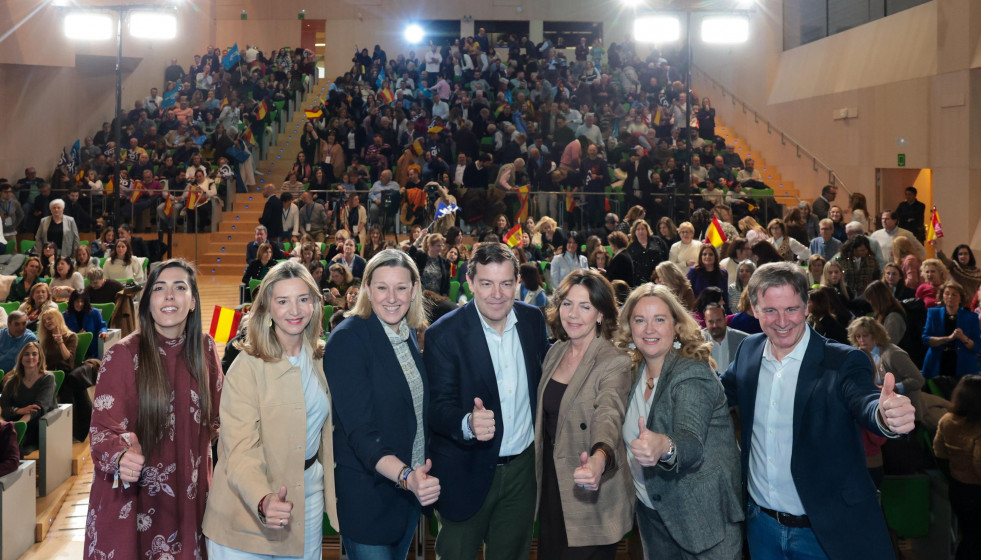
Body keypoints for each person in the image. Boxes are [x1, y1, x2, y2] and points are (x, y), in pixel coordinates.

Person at [720, 261, 916, 559]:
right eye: (770, 310)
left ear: (806, 307)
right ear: (755, 309)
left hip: (825, 533)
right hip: (762, 529)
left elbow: (865, 402)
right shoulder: (749, 351)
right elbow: (718, 394)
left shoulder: (844, 362)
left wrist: (885, 416)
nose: (782, 321)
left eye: (792, 309)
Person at [85, 259, 222, 560]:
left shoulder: (206, 349)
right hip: (134, 498)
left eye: (180, 287)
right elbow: (101, 431)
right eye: (159, 288)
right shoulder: (122, 354)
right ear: (147, 302)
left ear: (193, 301)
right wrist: (120, 455)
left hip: (188, 495)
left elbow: (217, 422)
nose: (169, 295)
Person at [424, 242, 550, 560]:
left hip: (522, 472)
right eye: (486, 283)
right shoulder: (444, 334)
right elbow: (436, 408)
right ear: (470, 283)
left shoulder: (534, 322)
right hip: (463, 471)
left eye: (506, 283)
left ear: (517, 283)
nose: (497, 293)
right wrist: (466, 423)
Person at [204, 262, 336, 560]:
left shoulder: (322, 358)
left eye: (303, 299)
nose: (295, 310)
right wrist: (263, 498)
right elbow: (238, 449)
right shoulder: (246, 366)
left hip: (306, 499)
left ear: (315, 304)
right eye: (283, 301)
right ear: (267, 309)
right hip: (246, 510)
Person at [324, 249, 441, 558]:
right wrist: (405, 477)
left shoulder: (406, 334)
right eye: (382, 287)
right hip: (369, 499)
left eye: (401, 287)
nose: (392, 297)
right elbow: (361, 433)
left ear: (414, 290)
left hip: (406, 498)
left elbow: (414, 412)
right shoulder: (349, 339)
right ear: (366, 289)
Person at [616, 283, 743, 558]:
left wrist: (664, 447)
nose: (649, 329)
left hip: (702, 522)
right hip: (653, 515)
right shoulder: (634, 370)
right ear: (629, 327)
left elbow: (690, 442)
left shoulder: (691, 375)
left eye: (659, 319)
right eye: (640, 320)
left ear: (676, 326)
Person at [534, 270, 633, 558]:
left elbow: (609, 415)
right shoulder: (556, 352)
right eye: (567, 303)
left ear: (600, 314)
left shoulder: (613, 361)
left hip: (591, 486)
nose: (573, 314)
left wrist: (598, 459)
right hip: (554, 484)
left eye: (585, 306)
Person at [933, 375, 981, 560]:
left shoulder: (947, 420)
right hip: (977, 492)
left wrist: (953, 474)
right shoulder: (978, 427)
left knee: (969, 537)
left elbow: (939, 452)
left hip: (958, 488)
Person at [847, 317, 925, 421]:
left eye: (865, 336)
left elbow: (918, 380)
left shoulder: (893, 354)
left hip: (906, 413)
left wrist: (893, 387)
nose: (861, 340)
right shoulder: (863, 355)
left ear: (875, 334)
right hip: (885, 412)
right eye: (858, 336)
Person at [922, 280, 981, 397]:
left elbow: (977, 346)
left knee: (962, 400)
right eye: (947, 293)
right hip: (937, 363)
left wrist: (963, 338)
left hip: (963, 365)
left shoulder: (971, 317)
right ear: (942, 295)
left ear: (961, 298)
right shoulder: (933, 313)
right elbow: (925, 339)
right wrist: (948, 338)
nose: (950, 297)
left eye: (954, 294)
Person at [703, 302, 749, 373]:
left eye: (719, 320)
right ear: (705, 321)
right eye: (711, 322)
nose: (715, 325)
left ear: (725, 319)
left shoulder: (744, 341)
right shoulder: (697, 342)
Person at [63, 289, 109, 359]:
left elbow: (101, 326)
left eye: (82, 301)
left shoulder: (94, 312)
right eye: (77, 301)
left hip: (92, 352)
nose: (79, 304)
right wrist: (78, 335)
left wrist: (103, 331)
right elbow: (64, 334)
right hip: (74, 352)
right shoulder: (65, 315)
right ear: (72, 302)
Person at [626, 220, 668, 288]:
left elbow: (666, 255)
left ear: (647, 230)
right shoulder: (631, 248)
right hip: (640, 281)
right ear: (634, 232)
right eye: (638, 229)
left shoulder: (657, 240)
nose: (640, 231)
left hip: (659, 277)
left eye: (643, 229)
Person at [687, 244, 729, 309]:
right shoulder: (694, 271)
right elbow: (688, 291)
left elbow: (725, 295)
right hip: (698, 309)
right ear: (700, 256)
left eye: (711, 254)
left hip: (717, 308)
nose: (707, 256)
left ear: (715, 256)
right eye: (704, 254)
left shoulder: (723, 272)